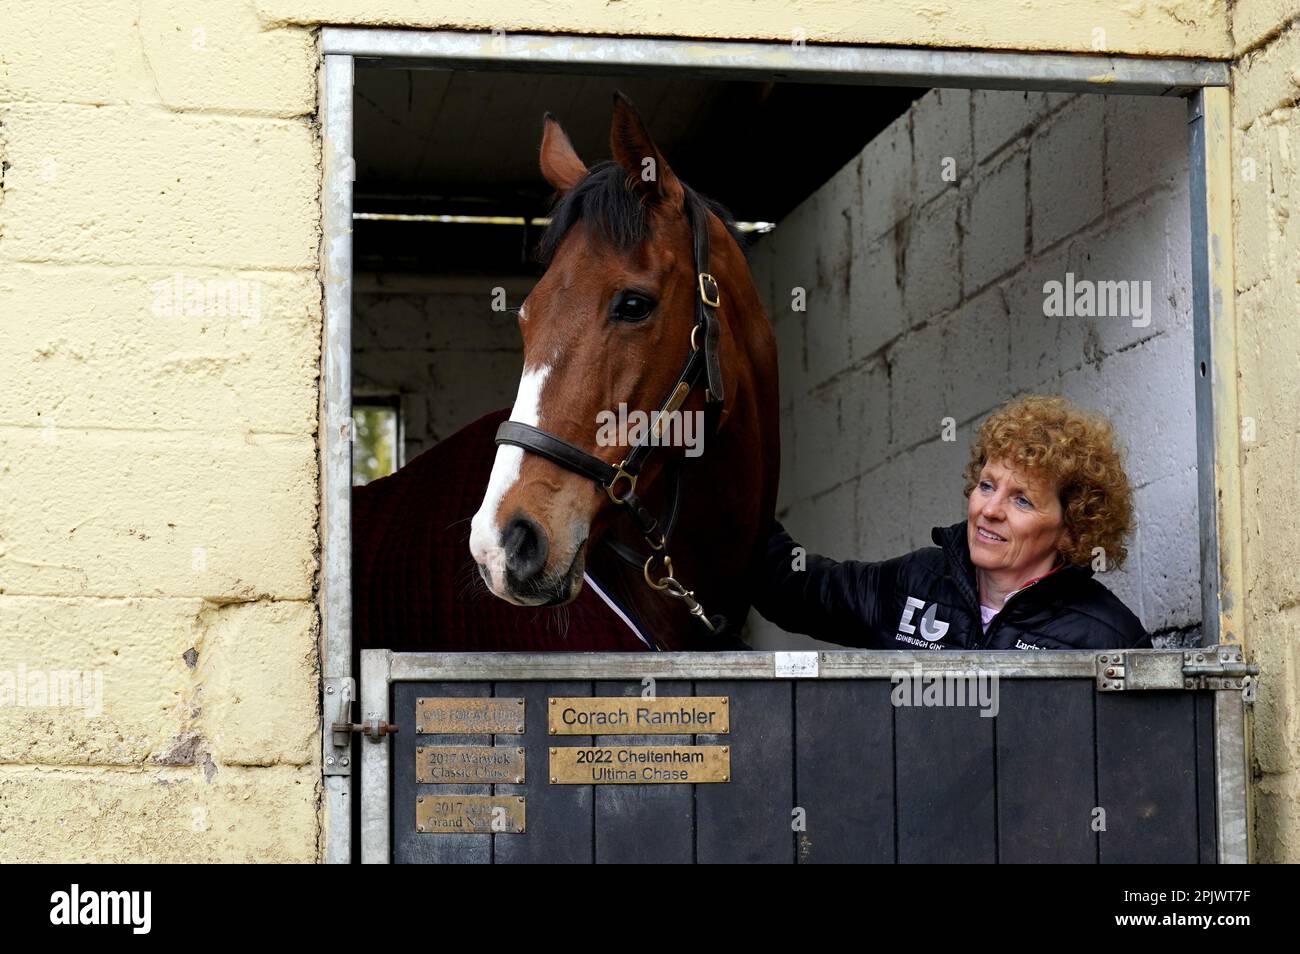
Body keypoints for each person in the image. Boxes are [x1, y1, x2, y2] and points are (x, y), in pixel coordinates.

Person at [752, 395, 1151, 650]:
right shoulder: (918, 582)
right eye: (987, 485)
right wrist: (729, 497)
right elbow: (794, 590)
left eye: (1022, 500)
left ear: (1072, 529)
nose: (990, 509)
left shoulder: (1109, 640)